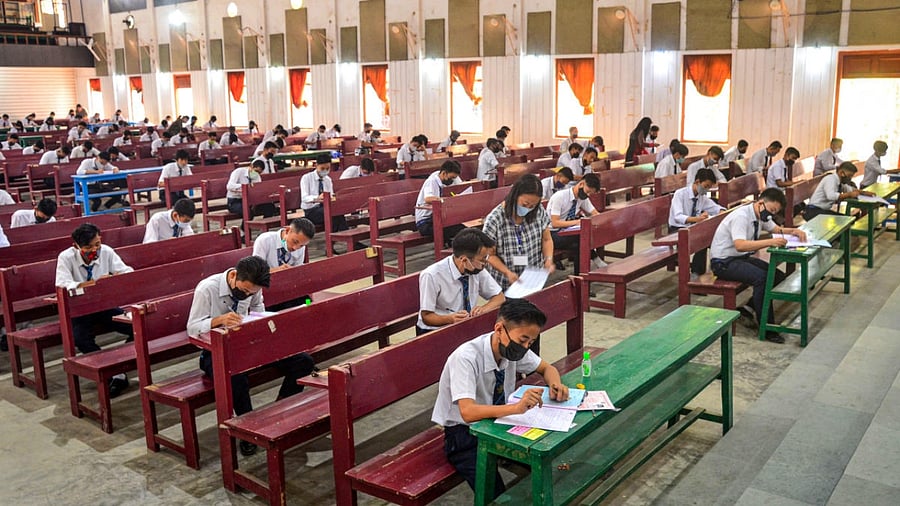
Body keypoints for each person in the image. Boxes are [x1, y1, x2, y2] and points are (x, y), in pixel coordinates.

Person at [432, 298, 568, 500]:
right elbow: (468, 412)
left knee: (550, 462)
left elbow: (547, 368)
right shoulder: (466, 358)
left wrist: (555, 383)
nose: (525, 347)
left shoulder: (513, 349)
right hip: (464, 435)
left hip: (499, 423)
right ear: (499, 330)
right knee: (494, 493)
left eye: (530, 342)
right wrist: (516, 409)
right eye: (522, 341)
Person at [187, 255, 315, 456]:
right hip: (216, 350)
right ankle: (248, 428)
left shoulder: (253, 289)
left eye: (251, 293)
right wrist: (218, 320)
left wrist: (260, 324)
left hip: (250, 344)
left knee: (303, 361)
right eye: (244, 290)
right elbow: (192, 328)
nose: (247, 294)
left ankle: (279, 412)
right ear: (234, 275)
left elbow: (258, 312)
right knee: (235, 377)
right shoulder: (207, 289)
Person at [709, 189, 807, 343]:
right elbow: (740, 245)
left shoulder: (761, 213)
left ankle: (748, 309)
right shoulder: (742, 216)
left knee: (778, 276)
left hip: (739, 258)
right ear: (761, 203)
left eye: (775, 212)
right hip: (723, 263)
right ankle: (767, 328)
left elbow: (775, 229)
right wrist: (770, 242)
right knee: (761, 278)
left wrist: (794, 231)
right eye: (772, 210)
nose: (772, 215)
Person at [55, 223, 134, 395]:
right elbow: (63, 284)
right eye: (88, 247)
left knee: (136, 328)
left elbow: (127, 271)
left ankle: (117, 364)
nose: (94, 250)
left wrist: (114, 278)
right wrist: (92, 285)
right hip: (79, 308)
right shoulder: (66, 258)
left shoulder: (106, 251)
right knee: (80, 338)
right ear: (75, 246)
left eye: (97, 244)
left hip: (104, 305)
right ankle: (115, 373)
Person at [417, 228, 505, 335]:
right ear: (464, 260)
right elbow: (426, 316)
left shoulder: (475, 269)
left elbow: (499, 297)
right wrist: (450, 319)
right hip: (435, 330)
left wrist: (483, 309)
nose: (485, 263)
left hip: (465, 325)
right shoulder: (432, 275)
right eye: (482, 259)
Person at [483, 174, 555, 291]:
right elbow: (489, 255)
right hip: (505, 282)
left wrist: (548, 260)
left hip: (533, 278)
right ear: (515, 196)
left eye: (533, 206)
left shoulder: (538, 211)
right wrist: (507, 272)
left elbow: (546, 239)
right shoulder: (495, 219)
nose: (528, 208)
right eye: (525, 204)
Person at [253, 218, 317, 311]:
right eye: (294, 242)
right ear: (287, 230)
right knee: (279, 312)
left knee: (308, 304)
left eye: (301, 245)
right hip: (267, 291)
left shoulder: (300, 247)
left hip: (288, 288)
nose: (295, 248)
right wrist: (277, 271)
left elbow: (298, 272)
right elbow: (255, 272)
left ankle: (308, 308)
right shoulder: (265, 240)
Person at [668, 169, 722, 278]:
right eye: (706, 186)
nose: (706, 190)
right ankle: (696, 274)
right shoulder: (680, 194)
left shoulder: (701, 197)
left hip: (691, 228)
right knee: (701, 239)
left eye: (709, 187)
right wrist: (696, 219)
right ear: (697, 182)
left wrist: (721, 211)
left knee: (708, 237)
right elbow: (677, 217)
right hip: (677, 228)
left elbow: (715, 208)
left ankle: (701, 271)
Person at [548, 172, 604, 273]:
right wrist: (577, 222)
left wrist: (602, 220)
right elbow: (555, 222)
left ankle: (579, 276)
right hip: (551, 234)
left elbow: (595, 213)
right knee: (581, 238)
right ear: (581, 184)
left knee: (579, 245)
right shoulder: (560, 197)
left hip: (567, 231)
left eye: (590, 193)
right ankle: (596, 260)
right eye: (588, 192)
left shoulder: (582, 197)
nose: (588, 195)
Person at [803, 162, 874, 221]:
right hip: (813, 211)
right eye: (849, 175)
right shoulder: (831, 179)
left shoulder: (839, 181)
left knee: (848, 220)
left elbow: (850, 189)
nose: (850, 178)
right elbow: (831, 196)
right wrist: (849, 194)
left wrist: (864, 192)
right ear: (841, 173)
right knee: (845, 221)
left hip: (821, 210)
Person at [415, 160, 465, 242]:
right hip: (425, 222)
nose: (452, 180)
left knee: (460, 226)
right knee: (456, 229)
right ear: (444, 173)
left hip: (436, 217)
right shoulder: (431, 181)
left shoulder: (440, 176)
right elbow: (428, 198)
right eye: (451, 178)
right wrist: (444, 200)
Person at [300, 153, 347, 232]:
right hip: (311, 210)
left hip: (325, 208)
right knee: (334, 214)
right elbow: (304, 198)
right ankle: (338, 235)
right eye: (322, 168)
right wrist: (317, 198)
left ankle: (340, 235)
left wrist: (332, 198)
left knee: (337, 212)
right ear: (316, 165)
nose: (325, 171)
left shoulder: (328, 180)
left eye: (327, 168)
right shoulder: (306, 178)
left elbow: (331, 194)